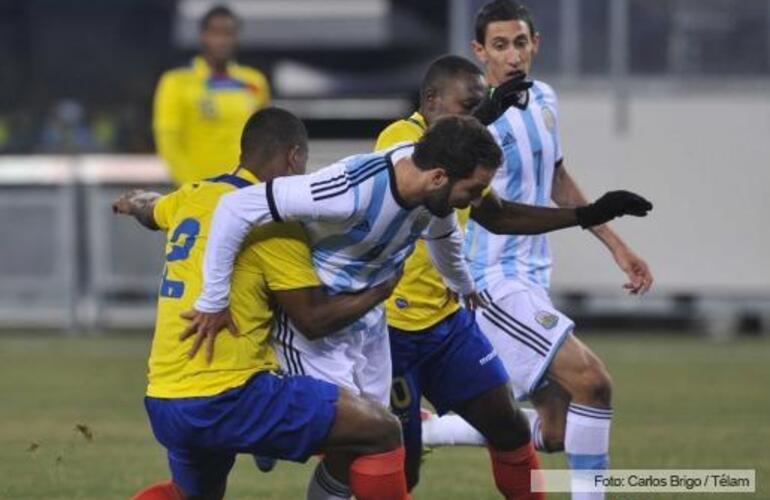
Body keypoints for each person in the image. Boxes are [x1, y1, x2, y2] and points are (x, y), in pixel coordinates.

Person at [188, 114, 549, 499]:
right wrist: (213, 299)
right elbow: (236, 207)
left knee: (372, 443)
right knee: (362, 438)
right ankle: (271, 440)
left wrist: (463, 286)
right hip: (318, 332)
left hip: (370, 323)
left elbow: (444, 236)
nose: (476, 202)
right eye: (473, 190)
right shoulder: (350, 189)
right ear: (439, 177)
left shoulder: (432, 190)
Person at [374, 54, 652, 492]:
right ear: (430, 100)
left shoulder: (463, 158)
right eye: (467, 108)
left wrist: (586, 215)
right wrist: (485, 116)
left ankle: (429, 431)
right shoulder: (398, 137)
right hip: (392, 330)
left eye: (479, 107)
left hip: (448, 323)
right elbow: (421, 166)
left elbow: (499, 215)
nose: (476, 118)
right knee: (401, 469)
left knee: (513, 430)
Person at [117, 108, 410, 500]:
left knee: (191, 495)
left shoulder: (192, 195)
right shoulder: (274, 223)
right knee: (380, 431)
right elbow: (313, 320)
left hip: (165, 397)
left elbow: (151, 210)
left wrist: (135, 201)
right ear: (293, 157)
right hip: (229, 395)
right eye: (303, 164)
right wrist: (379, 291)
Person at [153, 5, 270, 184]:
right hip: (199, 188)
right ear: (203, 36)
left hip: (244, 189)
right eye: (216, 33)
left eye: (228, 33)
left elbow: (264, 138)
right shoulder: (176, 82)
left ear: (236, 38)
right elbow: (168, 142)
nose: (222, 41)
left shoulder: (255, 81)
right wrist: (193, 187)